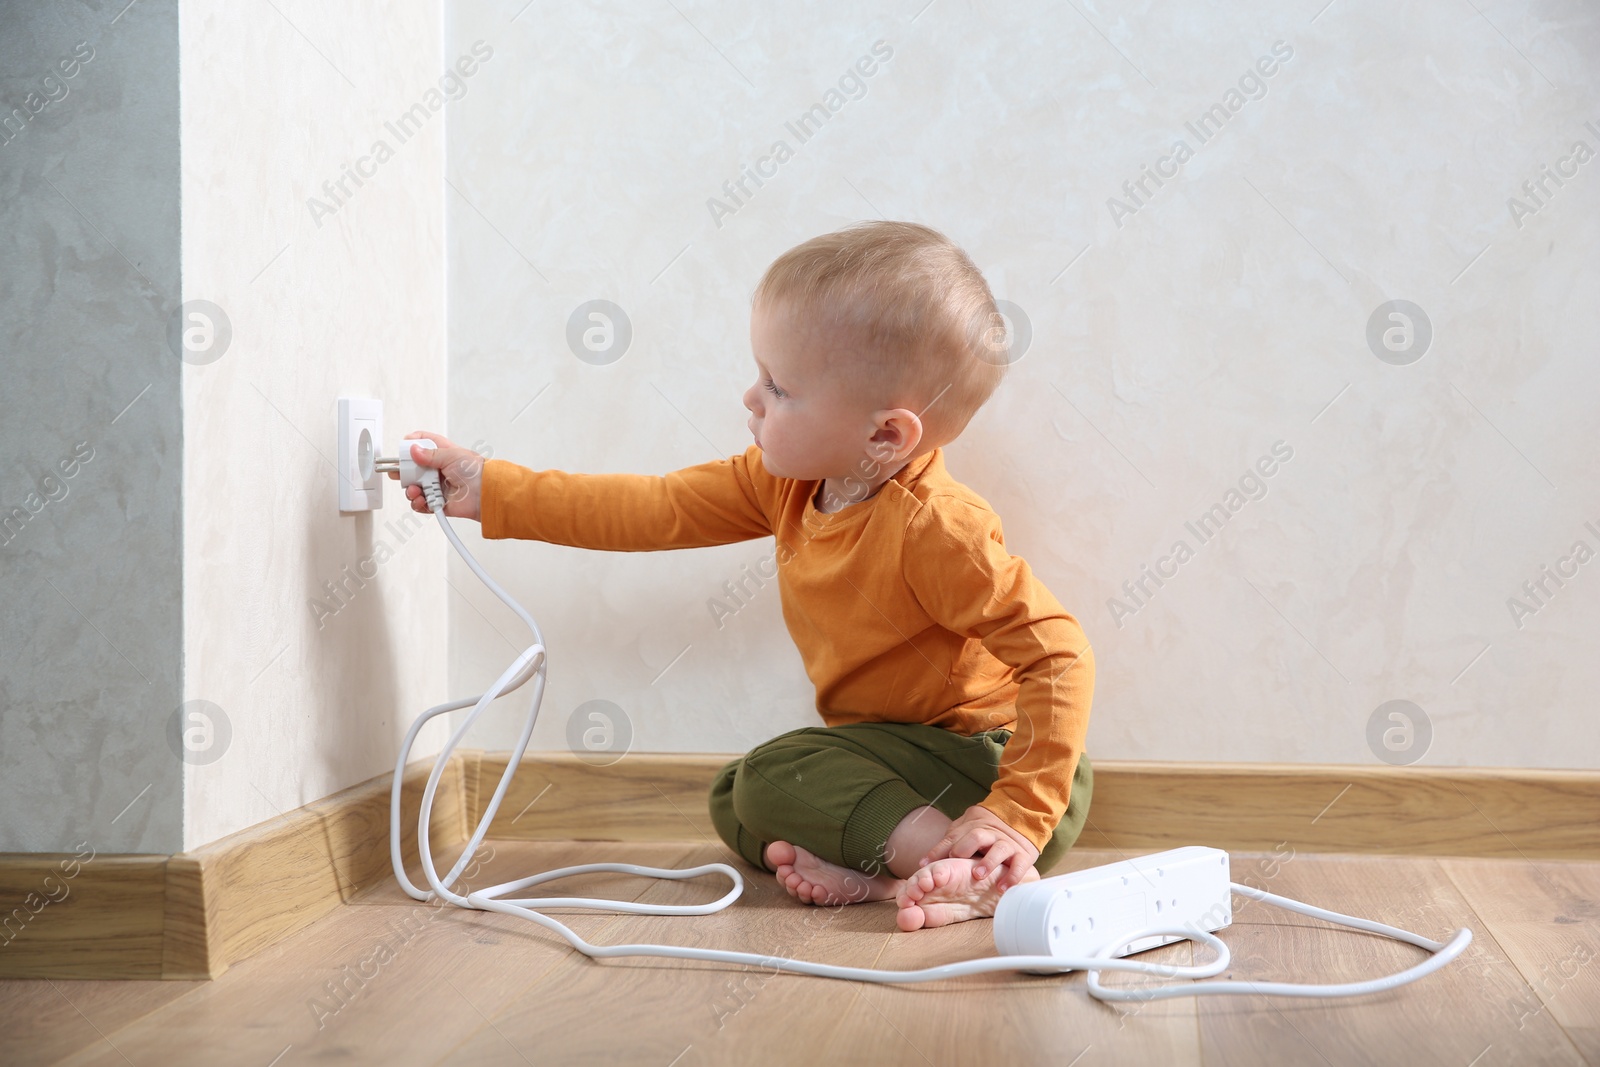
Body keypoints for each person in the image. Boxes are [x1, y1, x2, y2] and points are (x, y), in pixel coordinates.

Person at [392, 220, 1094, 932]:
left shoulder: (937, 528)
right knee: (736, 796)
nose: (751, 398)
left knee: (769, 775)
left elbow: (1060, 656)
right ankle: (910, 873)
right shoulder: (785, 485)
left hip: (996, 769)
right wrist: (490, 490)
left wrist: (1013, 816)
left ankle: (976, 867)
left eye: (779, 387)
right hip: (894, 762)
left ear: (885, 436)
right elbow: (652, 508)